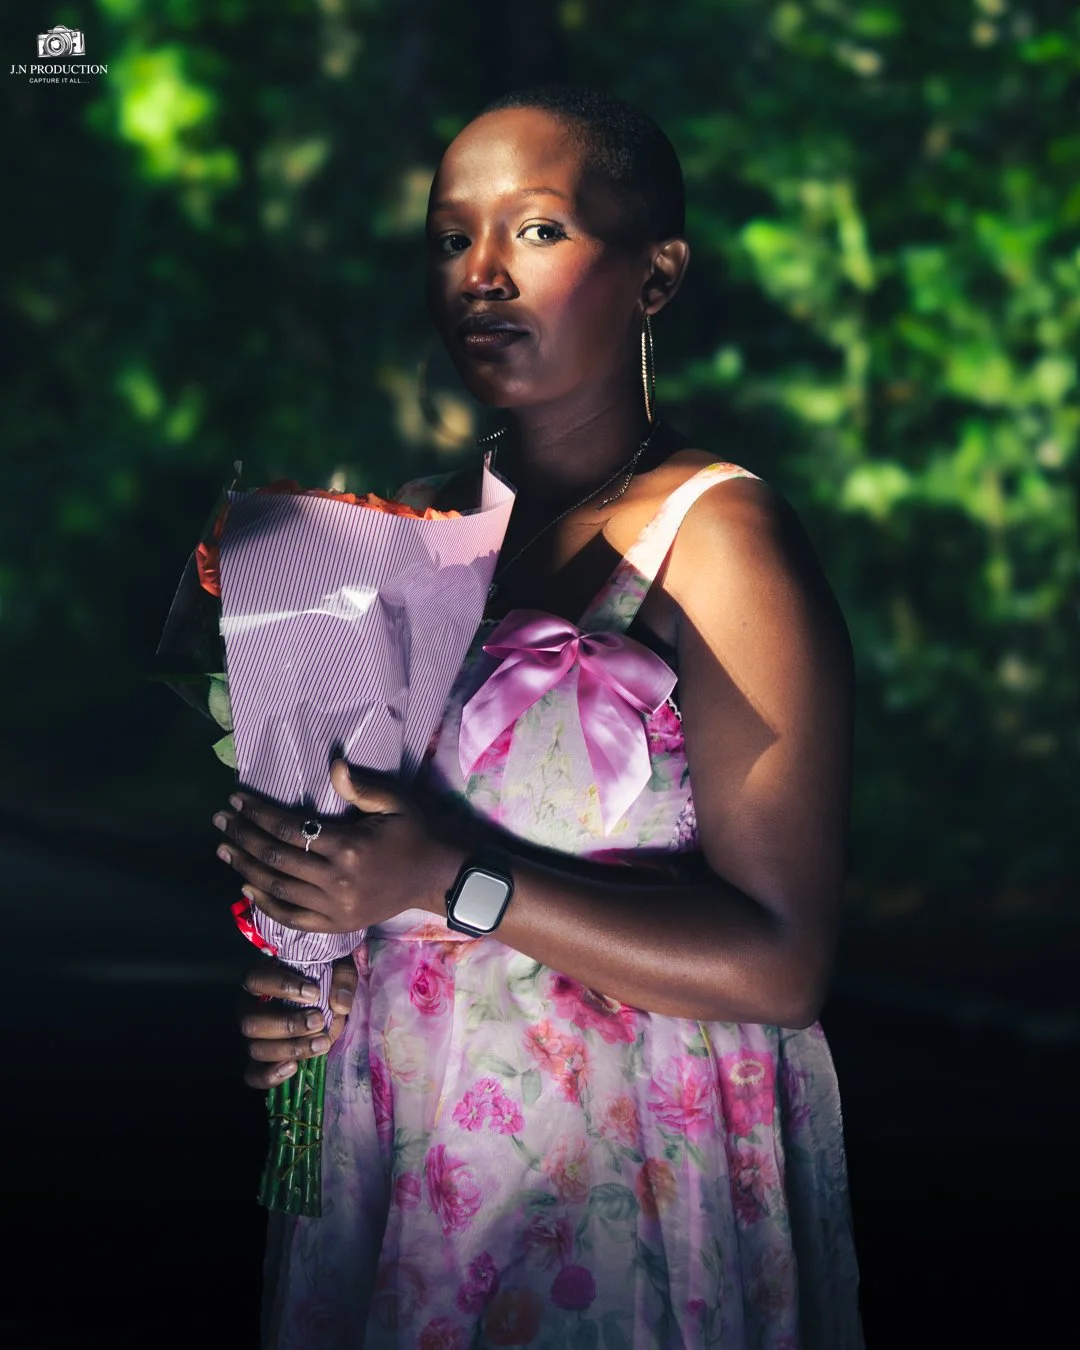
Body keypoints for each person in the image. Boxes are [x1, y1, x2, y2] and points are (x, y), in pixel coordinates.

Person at [212, 85, 864, 1349]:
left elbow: (781, 965)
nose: (483, 274)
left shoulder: (717, 539)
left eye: (539, 230)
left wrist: (449, 877)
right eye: (453, 238)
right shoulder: (413, 526)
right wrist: (310, 969)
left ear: (657, 273)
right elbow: (366, 855)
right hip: (403, 1145)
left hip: (614, 1171)